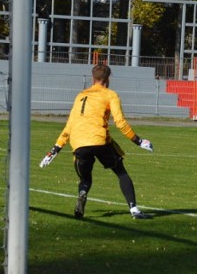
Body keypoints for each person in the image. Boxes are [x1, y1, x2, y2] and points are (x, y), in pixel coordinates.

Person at [39, 64, 154, 219]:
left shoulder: (80, 96)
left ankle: (82, 194)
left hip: (79, 144)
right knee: (120, 172)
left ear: (93, 78)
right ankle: (134, 210)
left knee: (85, 178)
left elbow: (69, 126)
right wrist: (138, 141)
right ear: (108, 78)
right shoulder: (110, 95)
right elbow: (120, 122)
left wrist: (54, 150)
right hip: (100, 141)